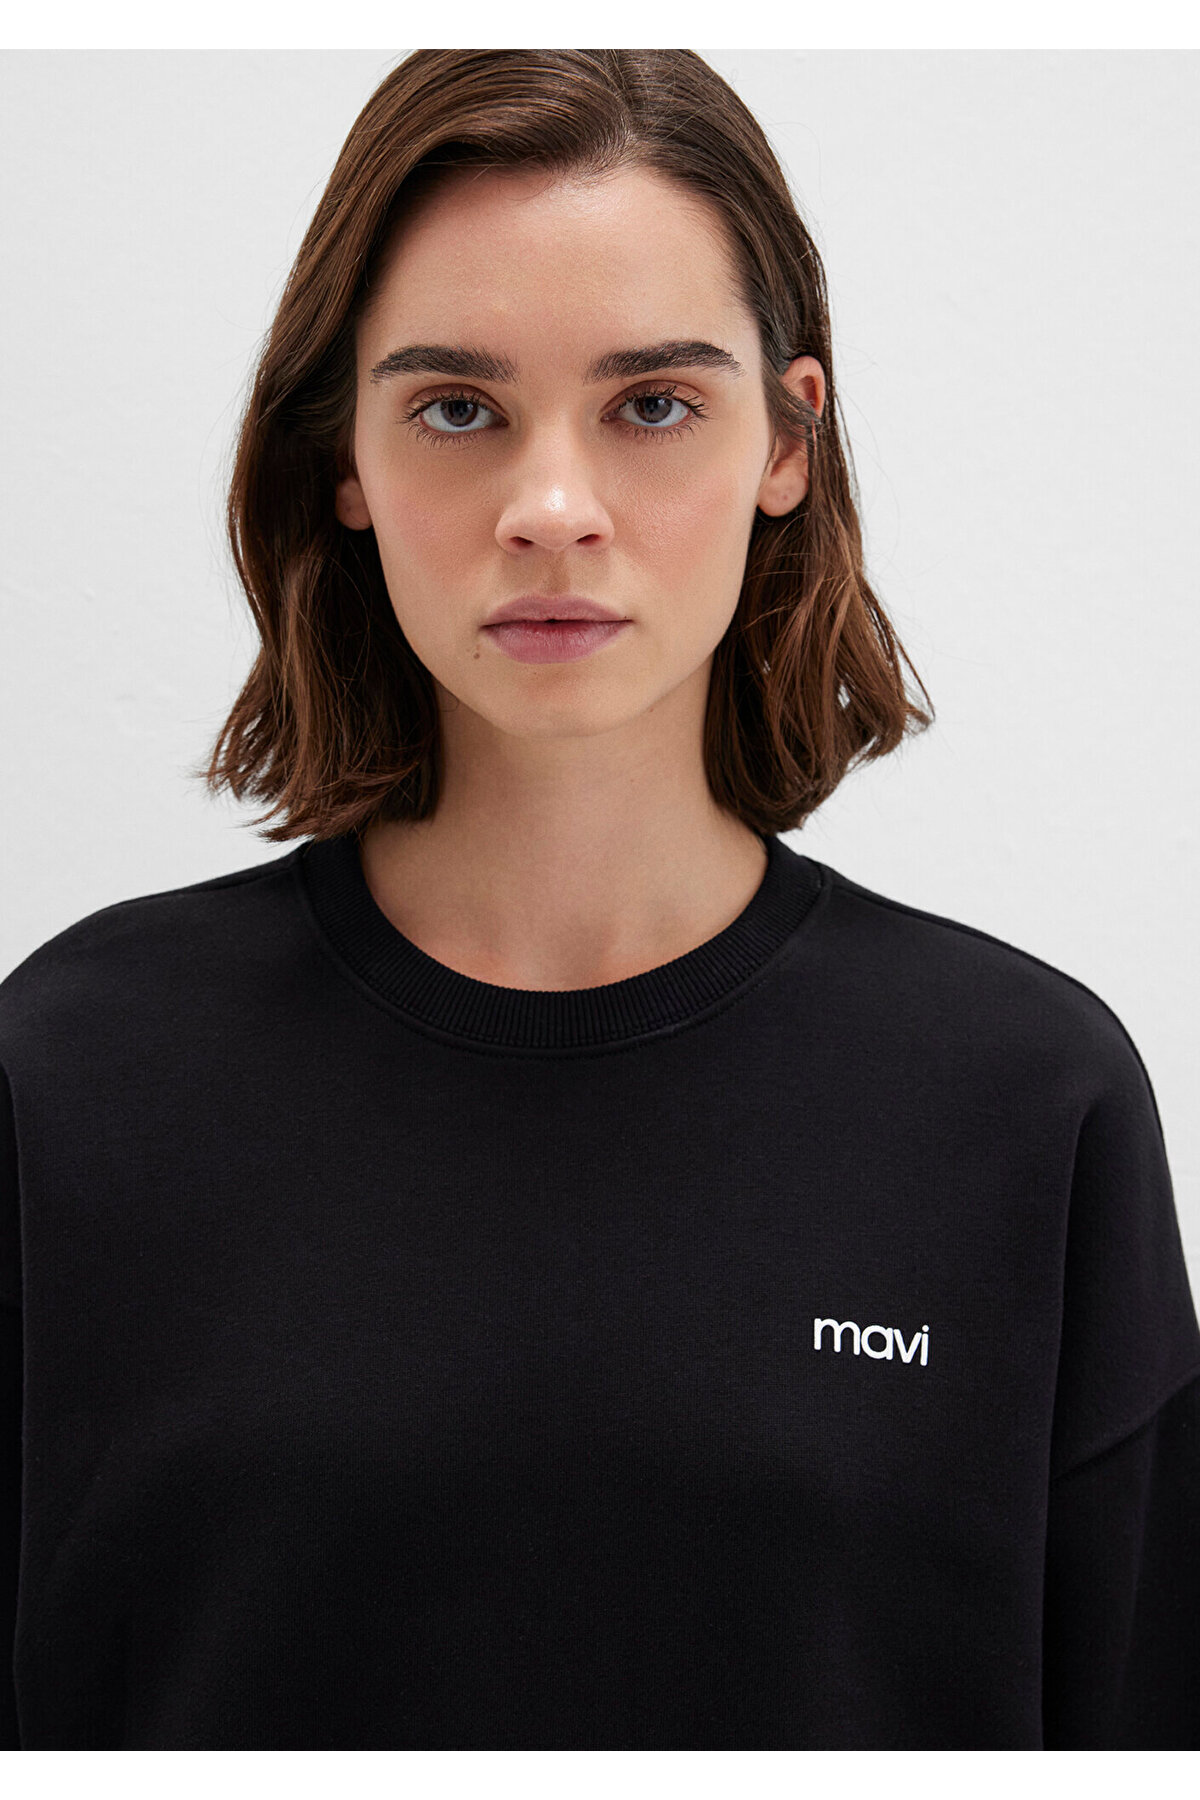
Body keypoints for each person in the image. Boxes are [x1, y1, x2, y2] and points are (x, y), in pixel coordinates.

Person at [1, 48, 1197, 1752]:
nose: (551, 511)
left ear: (788, 437)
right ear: (345, 456)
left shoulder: (1026, 1103)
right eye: (456, 408)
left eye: (651, 405)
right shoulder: (72, 1078)